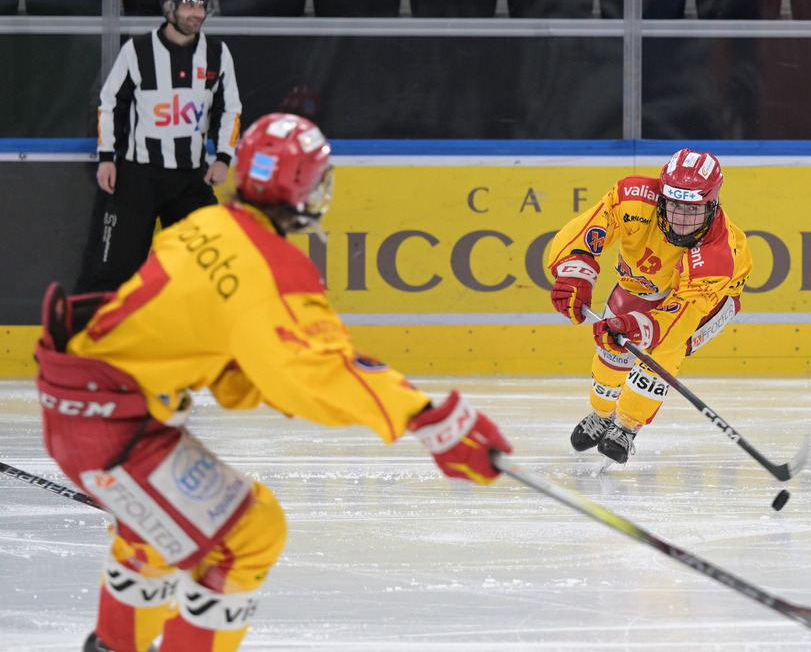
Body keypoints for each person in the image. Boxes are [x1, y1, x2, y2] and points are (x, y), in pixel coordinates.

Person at [34, 113, 513, 652]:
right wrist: (431, 419)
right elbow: (313, 373)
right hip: (114, 428)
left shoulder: (203, 225)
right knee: (249, 533)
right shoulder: (273, 268)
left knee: (156, 532)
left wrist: (274, 367)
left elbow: (229, 361)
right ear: (304, 186)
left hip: (85, 405)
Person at [547, 149, 752, 465]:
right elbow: (589, 228)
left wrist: (641, 328)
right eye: (675, 205)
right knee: (611, 353)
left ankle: (626, 428)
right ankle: (601, 414)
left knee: (662, 354)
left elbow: (680, 318)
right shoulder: (634, 198)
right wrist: (575, 272)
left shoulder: (718, 256)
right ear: (662, 197)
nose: (681, 219)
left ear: (712, 204)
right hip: (642, 284)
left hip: (707, 299)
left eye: (693, 209)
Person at [80, 0, 242, 293]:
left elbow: (230, 109)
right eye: (189, 6)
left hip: (191, 180)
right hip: (138, 178)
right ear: (169, 8)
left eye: (201, 6)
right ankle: (106, 326)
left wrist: (224, 157)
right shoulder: (137, 51)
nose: (197, 14)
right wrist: (106, 157)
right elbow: (110, 104)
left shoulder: (217, 53)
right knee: (114, 272)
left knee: (210, 271)